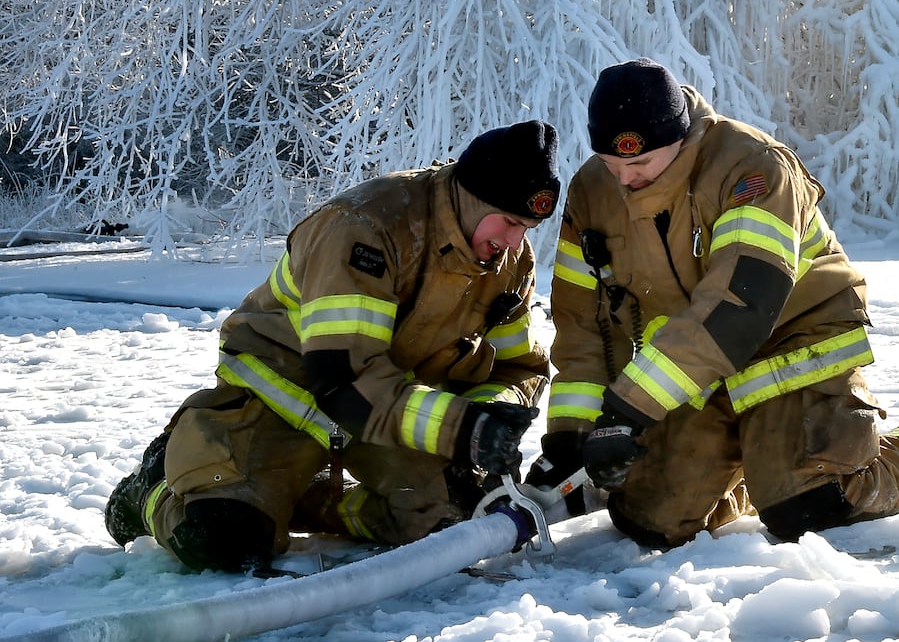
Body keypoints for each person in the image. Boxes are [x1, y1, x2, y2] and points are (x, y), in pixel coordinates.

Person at [526, 59, 899, 547]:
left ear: (677, 138)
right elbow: (585, 327)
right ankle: (757, 462)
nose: (625, 180)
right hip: (692, 366)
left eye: (639, 163)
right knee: (646, 520)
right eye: (612, 166)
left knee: (805, 507)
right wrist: (572, 435)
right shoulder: (593, 192)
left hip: (793, 338)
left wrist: (627, 410)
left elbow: (742, 305)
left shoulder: (751, 168)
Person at [106, 120, 561, 573]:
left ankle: (297, 492)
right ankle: (156, 487)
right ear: (471, 195)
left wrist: (491, 418)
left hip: (390, 413)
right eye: (509, 222)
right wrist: (463, 429)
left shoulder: (508, 260)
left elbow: (515, 366)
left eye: (528, 227)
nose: (514, 242)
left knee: (456, 517)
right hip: (285, 397)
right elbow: (345, 380)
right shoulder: (365, 228)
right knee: (225, 537)